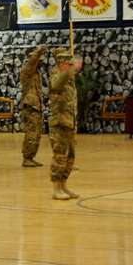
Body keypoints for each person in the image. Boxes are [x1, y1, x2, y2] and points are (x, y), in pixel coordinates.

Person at [49, 48, 81, 200]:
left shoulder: (69, 79)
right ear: (61, 63)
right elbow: (55, 86)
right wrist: (68, 71)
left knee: (70, 156)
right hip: (60, 123)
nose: (70, 65)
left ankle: (64, 185)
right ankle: (56, 188)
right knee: (60, 156)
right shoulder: (56, 75)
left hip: (70, 122)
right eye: (68, 63)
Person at [20, 46, 47, 167]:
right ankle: (27, 158)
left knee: (36, 134)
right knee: (31, 134)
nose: (41, 62)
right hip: (30, 106)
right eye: (38, 60)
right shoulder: (27, 70)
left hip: (36, 106)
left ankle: (31, 157)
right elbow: (32, 62)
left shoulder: (36, 73)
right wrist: (39, 51)